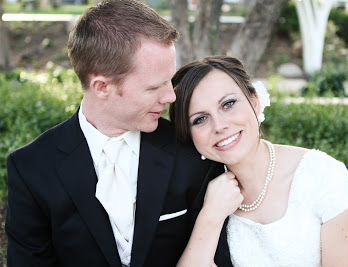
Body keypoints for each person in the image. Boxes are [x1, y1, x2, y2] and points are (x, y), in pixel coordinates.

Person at [5, 1, 231, 266]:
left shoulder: (191, 151)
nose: (170, 96)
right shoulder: (31, 168)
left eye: (170, 80)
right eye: (153, 88)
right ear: (101, 87)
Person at [170, 55, 348, 267]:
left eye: (228, 104)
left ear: (254, 102)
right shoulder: (201, 195)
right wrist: (210, 217)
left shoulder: (322, 175)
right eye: (200, 119)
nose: (219, 125)